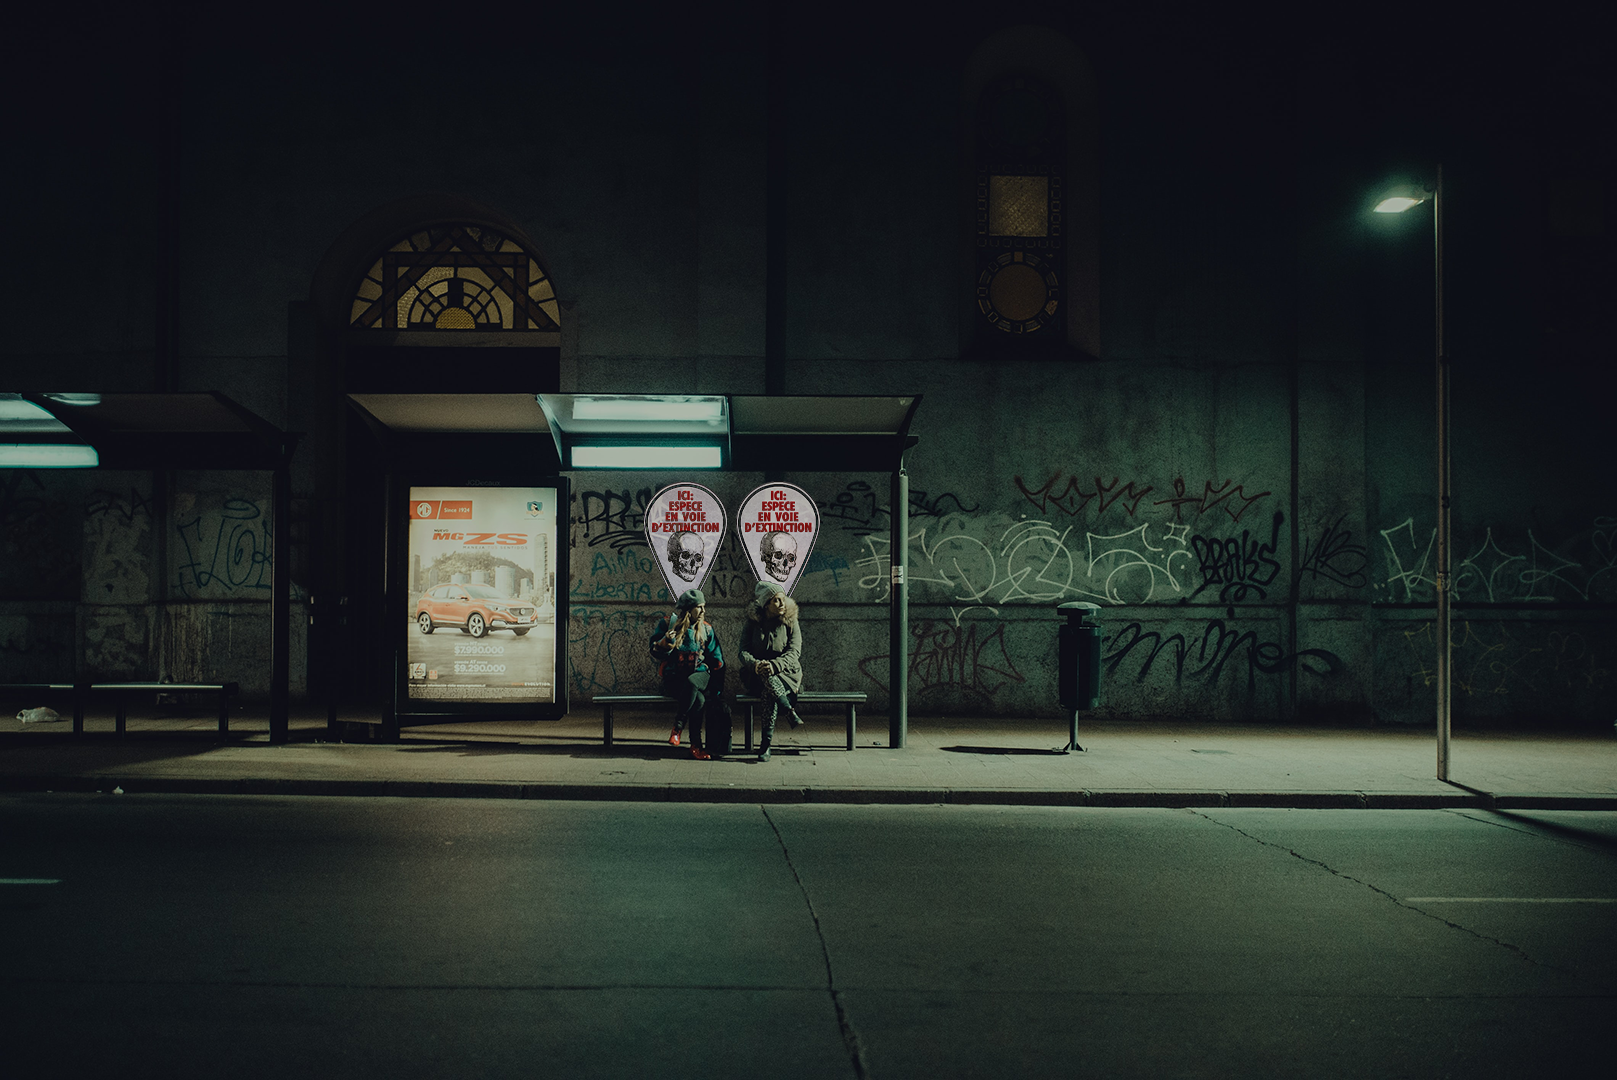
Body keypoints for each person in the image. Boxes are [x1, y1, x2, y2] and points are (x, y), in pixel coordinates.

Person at [649, 589, 724, 759]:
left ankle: (678, 726)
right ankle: (696, 746)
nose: (703, 611)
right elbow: (655, 651)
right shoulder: (668, 625)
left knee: (692, 683)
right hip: (676, 678)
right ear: (689, 609)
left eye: (704, 607)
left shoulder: (707, 630)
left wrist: (717, 688)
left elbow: (717, 659)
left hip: (700, 675)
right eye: (699, 607)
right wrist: (666, 644)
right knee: (699, 700)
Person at [738, 580, 805, 761]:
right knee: (767, 680)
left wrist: (774, 665)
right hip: (757, 674)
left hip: (786, 675)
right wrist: (755, 664)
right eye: (776, 600)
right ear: (767, 605)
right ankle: (788, 710)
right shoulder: (753, 623)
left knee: (769, 689)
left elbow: (794, 652)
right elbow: (742, 651)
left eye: (783, 599)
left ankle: (765, 746)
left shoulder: (790, 621)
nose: (782, 604)